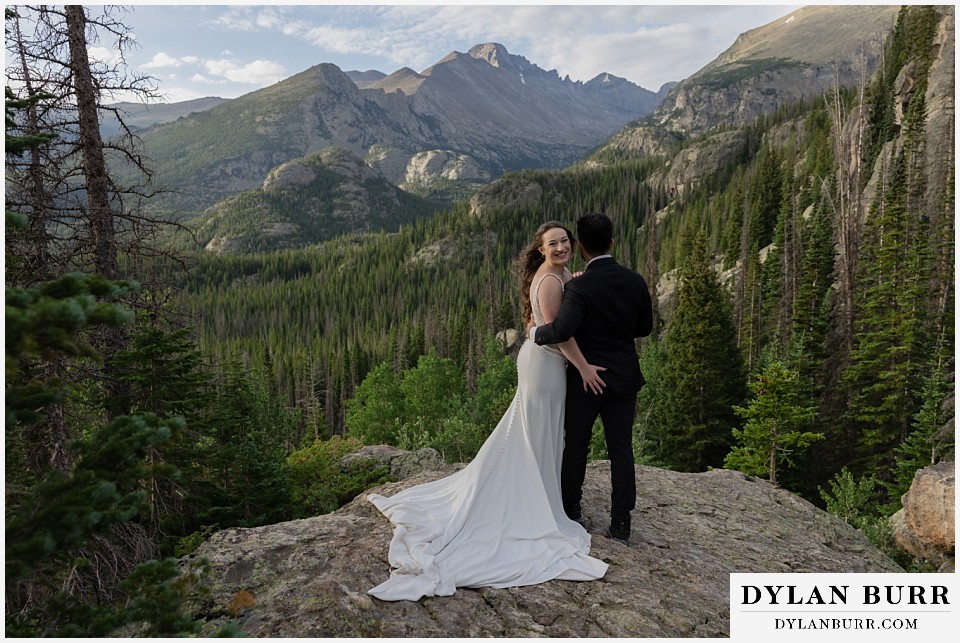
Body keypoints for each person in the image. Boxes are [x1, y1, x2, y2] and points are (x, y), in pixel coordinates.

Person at [366, 221, 609, 602]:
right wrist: (583, 367)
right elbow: (558, 332)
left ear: (572, 246)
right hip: (545, 367)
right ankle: (530, 504)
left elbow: (540, 318)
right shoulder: (548, 281)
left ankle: (539, 495)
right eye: (553, 243)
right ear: (541, 249)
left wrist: (570, 277)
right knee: (537, 430)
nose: (560, 247)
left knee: (538, 431)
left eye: (565, 241)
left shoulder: (558, 276)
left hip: (544, 364)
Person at [530, 212, 653, 544]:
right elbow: (644, 328)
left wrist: (533, 333)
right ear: (612, 243)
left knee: (576, 445)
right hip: (623, 377)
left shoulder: (579, 287)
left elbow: (562, 330)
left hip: (585, 379)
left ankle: (572, 509)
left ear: (580, 247)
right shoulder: (635, 280)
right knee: (621, 449)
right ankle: (621, 523)